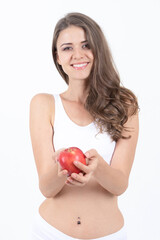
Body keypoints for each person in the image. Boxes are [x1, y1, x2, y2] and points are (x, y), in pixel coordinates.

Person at [29, 12, 139, 240]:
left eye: (86, 45)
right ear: (57, 57)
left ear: (98, 50)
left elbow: (119, 185)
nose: (77, 55)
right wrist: (61, 170)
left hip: (110, 235)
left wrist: (98, 167)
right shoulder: (43, 104)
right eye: (67, 48)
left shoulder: (124, 105)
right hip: (50, 233)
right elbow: (47, 189)